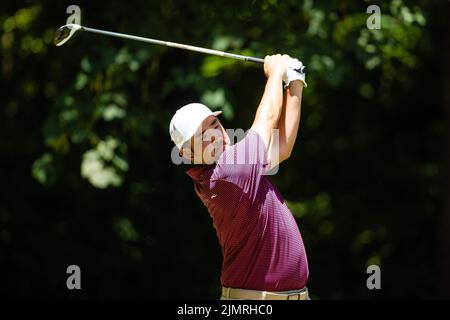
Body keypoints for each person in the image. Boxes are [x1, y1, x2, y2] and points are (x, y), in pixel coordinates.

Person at [169, 54, 309, 300]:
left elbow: (283, 147)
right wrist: (276, 72)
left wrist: (295, 81)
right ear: (186, 153)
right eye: (201, 135)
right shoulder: (228, 174)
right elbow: (265, 121)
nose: (213, 134)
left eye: (214, 124)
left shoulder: (230, 167)